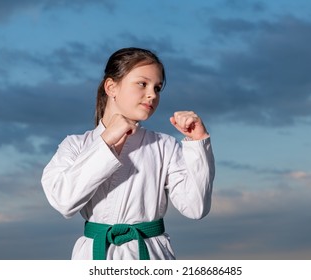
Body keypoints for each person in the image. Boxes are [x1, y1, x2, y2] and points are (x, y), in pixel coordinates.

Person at [41, 47, 215, 260]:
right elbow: (64, 201)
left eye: (157, 88)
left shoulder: (164, 145)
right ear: (111, 87)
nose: (152, 94)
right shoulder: (75, 145)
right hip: (94, 255)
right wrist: (106, 141)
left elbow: (196, 208)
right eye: (142, 83)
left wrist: (198, 143)